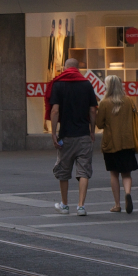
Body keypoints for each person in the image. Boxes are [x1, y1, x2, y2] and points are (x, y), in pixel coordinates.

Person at [49, 58, 98, 216]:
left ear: (66, 68)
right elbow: (92, 110)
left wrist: (53, 133)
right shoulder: (87, 84)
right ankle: (81, 206)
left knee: (64, 171)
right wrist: (92, 130)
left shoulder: (58, 85)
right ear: (77, 69)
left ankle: (64, 204)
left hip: (66, 136)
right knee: (83, 171)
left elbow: (55, 111)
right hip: (83, 134)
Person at [96, 75, 138, 214]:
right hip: (127, 142)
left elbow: (99, 123)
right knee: (126, 174)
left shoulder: (104, 103)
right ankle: (128, 193)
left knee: (114, 174)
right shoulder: (128, 101)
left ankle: (117, 204)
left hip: (111, 143)